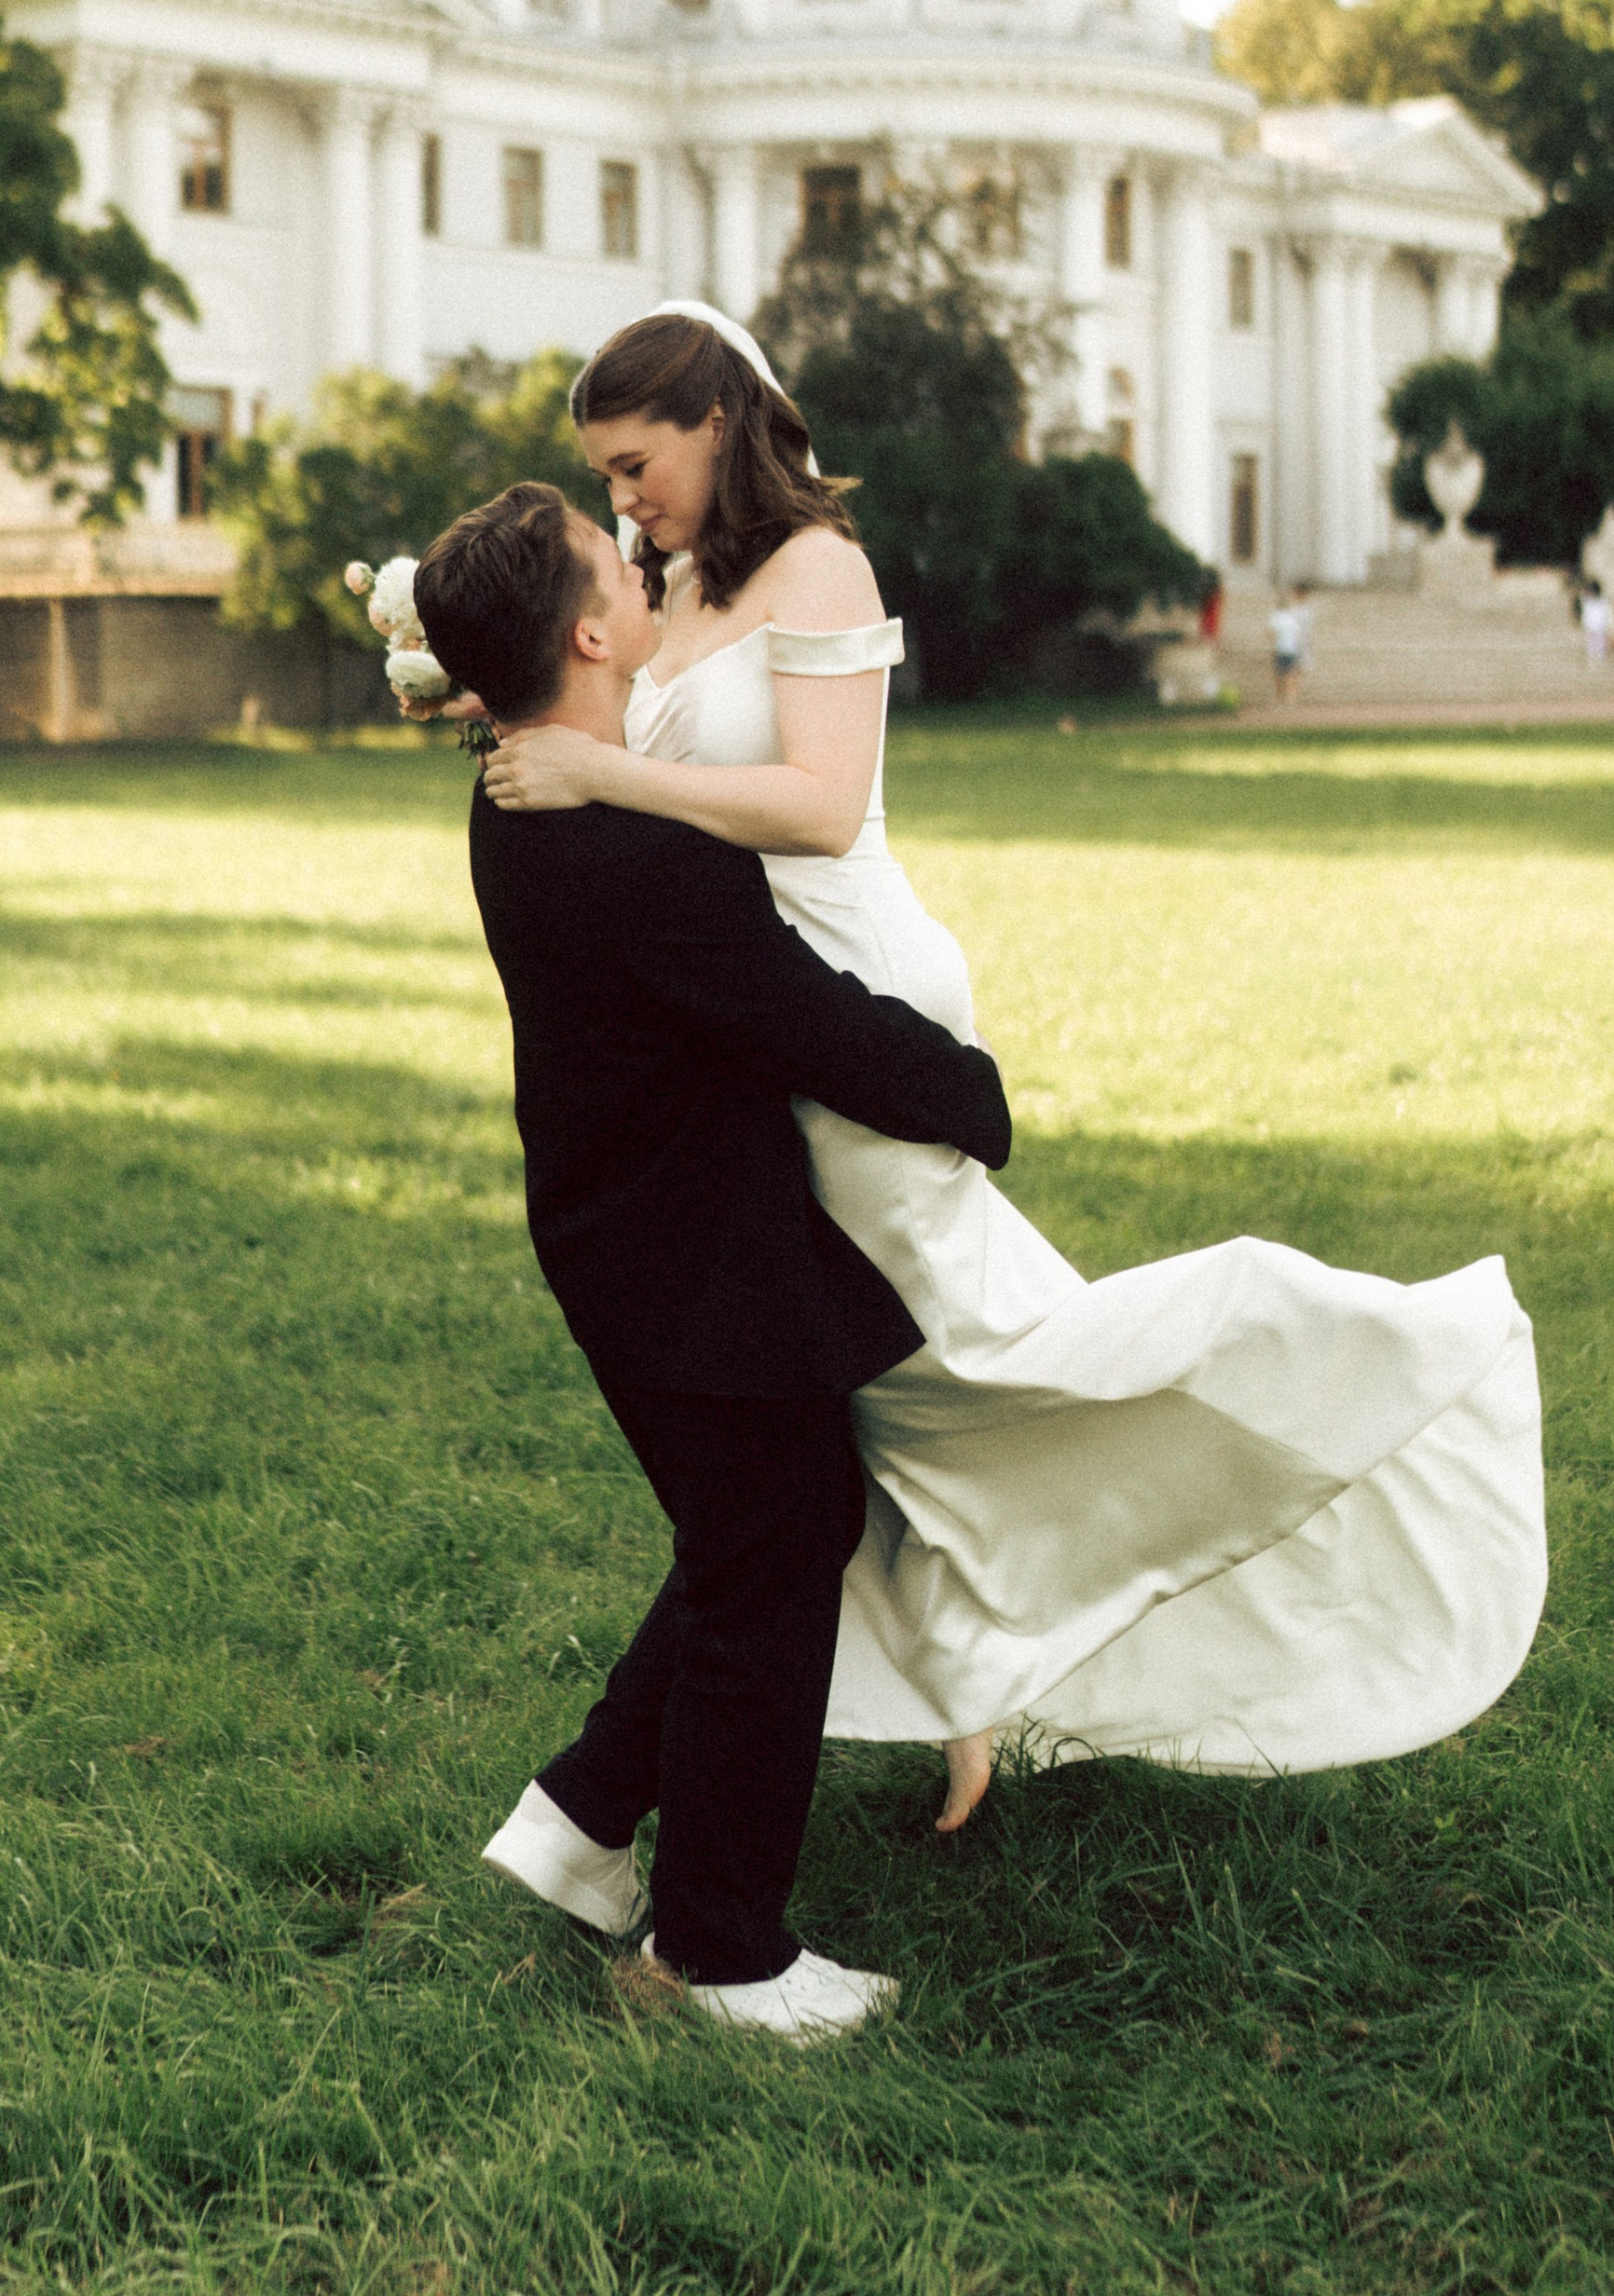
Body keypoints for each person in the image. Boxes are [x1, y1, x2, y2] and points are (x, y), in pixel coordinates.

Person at [480, 304, 1549, 1820]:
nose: (621, 503)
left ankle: (1314, 1352)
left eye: (637, 464)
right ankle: (950, 1682)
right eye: (601, 477)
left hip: (855, 994)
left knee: (966, 1365)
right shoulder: (679, 576)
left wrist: (602, 769)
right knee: (850, 1396)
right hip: (758, 1018)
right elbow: (613, 705)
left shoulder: (819, 566)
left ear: (719, 423)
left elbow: (823, 806)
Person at [414, 480, 1013, 2043]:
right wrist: (968, 1093)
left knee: (772, 1520)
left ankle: (582, 1821)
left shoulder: (521, 789)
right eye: (617, 558)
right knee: (769, 1556)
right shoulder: (626, 844)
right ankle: (720, 1952)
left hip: (641, 1236)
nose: (645, 556)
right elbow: (795, 1015)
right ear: (597, 632)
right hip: (692, 1264)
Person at [1268, 586, 1309, 703]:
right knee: (1290, 675)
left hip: (1280, 649)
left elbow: (1271, 634)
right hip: (1292, 649)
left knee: (1279, 676)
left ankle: (1279, 699)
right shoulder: (1292, 617)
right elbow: (1298, 634)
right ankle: (1292, 699)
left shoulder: (1276, 617)